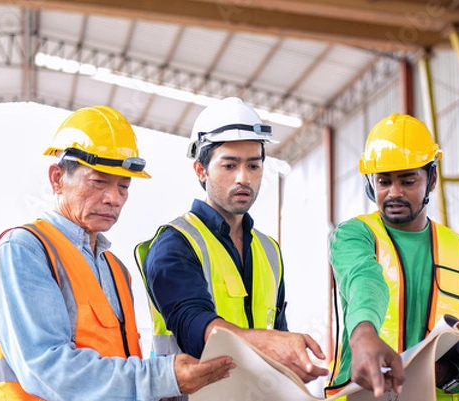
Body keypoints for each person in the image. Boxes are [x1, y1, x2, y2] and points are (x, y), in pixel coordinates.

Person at [0, 106, 234, 400]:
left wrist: (170, 383)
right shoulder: (24, 252)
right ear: (57, 178)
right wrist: (163, 377)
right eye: (99, 182)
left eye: (124, 186)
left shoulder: (116, 269)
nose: (114, 198)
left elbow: (119, 364)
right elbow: (47, 371)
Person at [135, 97, 329, 388]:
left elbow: (277, 329)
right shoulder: (174, 245)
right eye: (229, 165)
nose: (244, 178)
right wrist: (271, 345)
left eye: (254, 166)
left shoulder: (269, 251)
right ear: (201, 170)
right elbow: (193, 327)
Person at [327, 113, 459, 399]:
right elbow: (364, 280)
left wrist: (433, 371)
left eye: (407, 181)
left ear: (431, 180)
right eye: (383, 182)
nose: (394, 193)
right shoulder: (353, 235)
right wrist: (363, 334)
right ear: (370, 185)